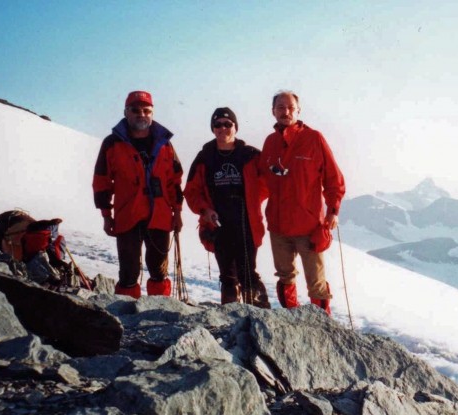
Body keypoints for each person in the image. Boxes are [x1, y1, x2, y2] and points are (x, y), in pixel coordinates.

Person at [260, 91, 345, 315]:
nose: (285, 111)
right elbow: (261, 180)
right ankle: (291, 319)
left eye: (290, 107)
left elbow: (333, 178)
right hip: (278, 226)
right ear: (273, 111)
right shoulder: (270, 142)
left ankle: (321, 326)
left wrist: (333, 209)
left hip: (308, 226)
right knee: (285, 276)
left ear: (298, 111)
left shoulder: (314, 139)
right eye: (280, 107)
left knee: (316, 282)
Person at [92, 90, 183, 298]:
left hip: (159, 216)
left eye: (146, 110)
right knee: (128, 270)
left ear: (152, 113)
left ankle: (159, 310)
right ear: (126, 112)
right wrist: (106, 215)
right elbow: (102, 181)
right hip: (127, 215)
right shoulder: (112, 143)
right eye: (135, 110)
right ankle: (126, 316)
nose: (141, 114)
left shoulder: (165, 144)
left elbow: (174, 181)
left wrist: (177, 213)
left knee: (158, 269)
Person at [184, 107, 270, 308]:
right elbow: (191, 191)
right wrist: (205, 210)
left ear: (235, 127)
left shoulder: (250, 155)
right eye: (218, 124)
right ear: (213, 129)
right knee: (227, 274)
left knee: (248, 271)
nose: (223, 128)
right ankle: (231, 319)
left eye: (227, 124)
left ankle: (261, 317)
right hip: (218, 224)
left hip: (246, 222)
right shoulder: (204, 157)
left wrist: (253, 200)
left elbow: (269, 182)